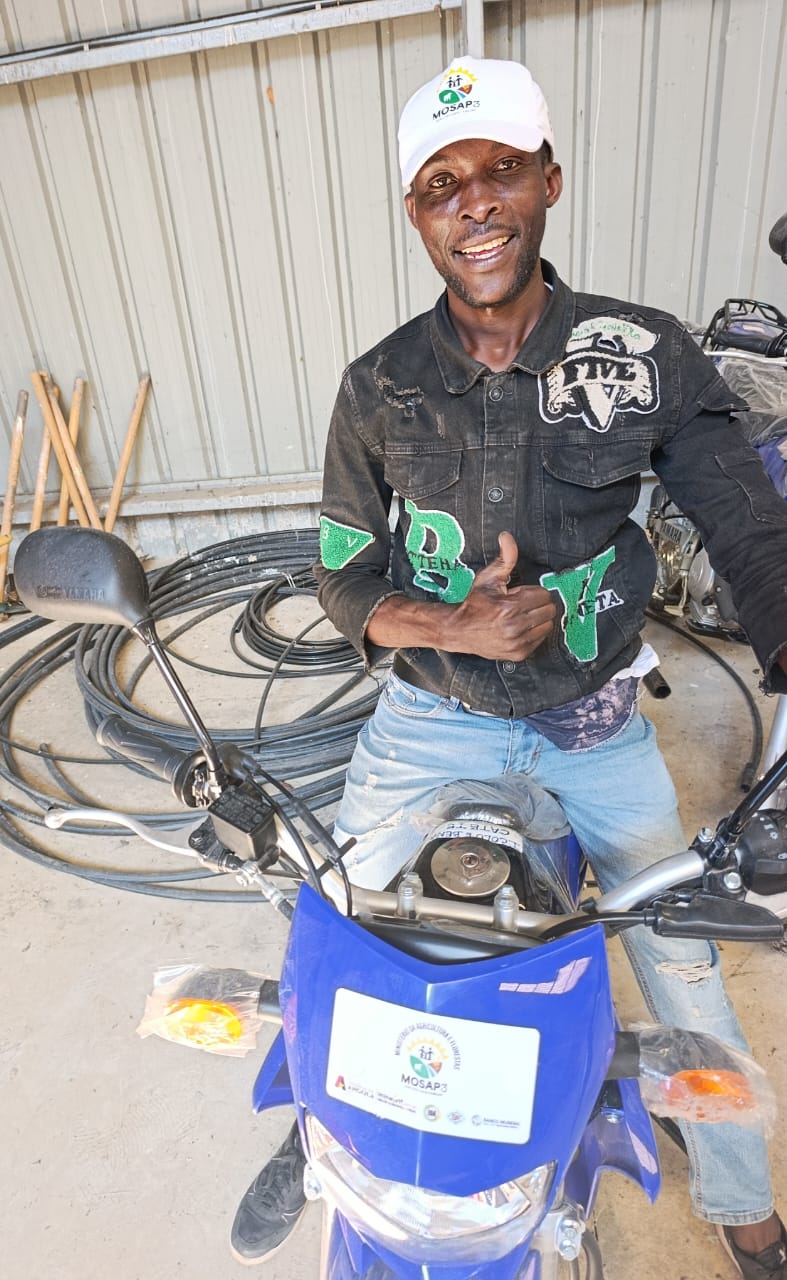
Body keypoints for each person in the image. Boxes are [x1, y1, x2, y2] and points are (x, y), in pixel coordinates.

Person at [229, 55, 787, 1277]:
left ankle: (743, 1198)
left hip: (595, 723)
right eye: (440, 184)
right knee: (337, 923)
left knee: (682, 965)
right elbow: (341, 573)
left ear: (547, 181)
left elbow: (745, 519)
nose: (473, 203)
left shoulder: (641, 353)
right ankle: (320, 1124)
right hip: (433, 716)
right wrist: (451, 628)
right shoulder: (379, 385)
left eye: (499, 171)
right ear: (416, 213)